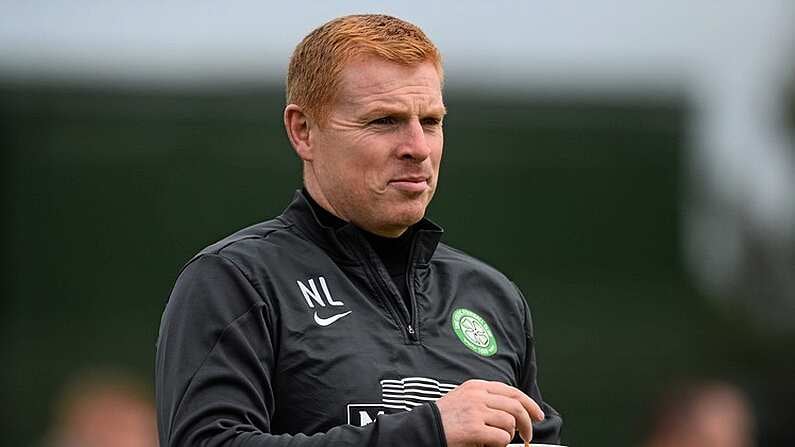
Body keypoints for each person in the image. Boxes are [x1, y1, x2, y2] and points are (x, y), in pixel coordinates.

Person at [156, 14, 563, 447]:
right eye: (383, 121)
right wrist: (429, 432)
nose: (418, 148)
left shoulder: (492, 296)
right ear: (304, 131)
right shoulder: (237, 280)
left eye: (430, 121)